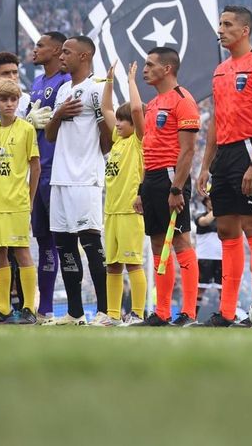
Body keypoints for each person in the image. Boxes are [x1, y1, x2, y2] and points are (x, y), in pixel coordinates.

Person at [199, 5, 252, 328]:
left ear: (244, 30)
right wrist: (206, 164)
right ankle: (228, 310)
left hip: (249, 152)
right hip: (223, 157)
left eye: (227, 24)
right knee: (225, 230)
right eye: (220, 23)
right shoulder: (220, 71)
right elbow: (216, 122)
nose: (220, 29)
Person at [45, 35, 112, 326]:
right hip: (61, 177)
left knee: (90, 243)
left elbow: (108, 140)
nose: (61, 57)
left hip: (86, 177)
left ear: (84, 56)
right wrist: (58, 115)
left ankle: (105, 312)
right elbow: (49, 135)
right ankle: (75, 313)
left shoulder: (97, 89)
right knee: (64, 245)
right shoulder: (62, 91)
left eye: (67, 53)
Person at [131, 48, 201, 327]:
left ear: (167, 68)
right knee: (158, 242)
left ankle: (189, 313)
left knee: (181, 240)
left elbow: (188, 151)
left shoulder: (183, 101)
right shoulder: (155, 103)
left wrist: (177, 189)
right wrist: (141, 189)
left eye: (150, 65)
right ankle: (162, 312)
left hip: (172, 178)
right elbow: (149, 148)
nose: (145, 70)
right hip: (152, 180)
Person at [0, 80, 41, 325]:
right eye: (4, 100)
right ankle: (3, 308)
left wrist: (29, 200)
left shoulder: (26, 129)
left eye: (13, 99)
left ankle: (29, 308)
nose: (9, 104)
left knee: (21, 252)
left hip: (16, 202)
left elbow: (35, 166)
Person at [94, 75, 145, 328]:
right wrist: (110, 82)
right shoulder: (118, 140)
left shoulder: (138, 143)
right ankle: (112, 315)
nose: (120, 123)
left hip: (129, 212)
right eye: (120, 119)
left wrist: (131, 80)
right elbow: (106, 109)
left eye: (126, 120)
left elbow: (136, 109)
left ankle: (137, 314)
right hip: (111, 212)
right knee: (112, 266)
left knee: (133, 263)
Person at [27, 31, 70, 319]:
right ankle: (44, 309)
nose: (35, 49)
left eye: (40, 45)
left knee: (60, 239)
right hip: (36, 168)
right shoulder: (36, 82)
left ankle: (71, 308)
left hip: (56, 169)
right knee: (42, 238)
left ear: (56, 50)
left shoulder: (65, 82)